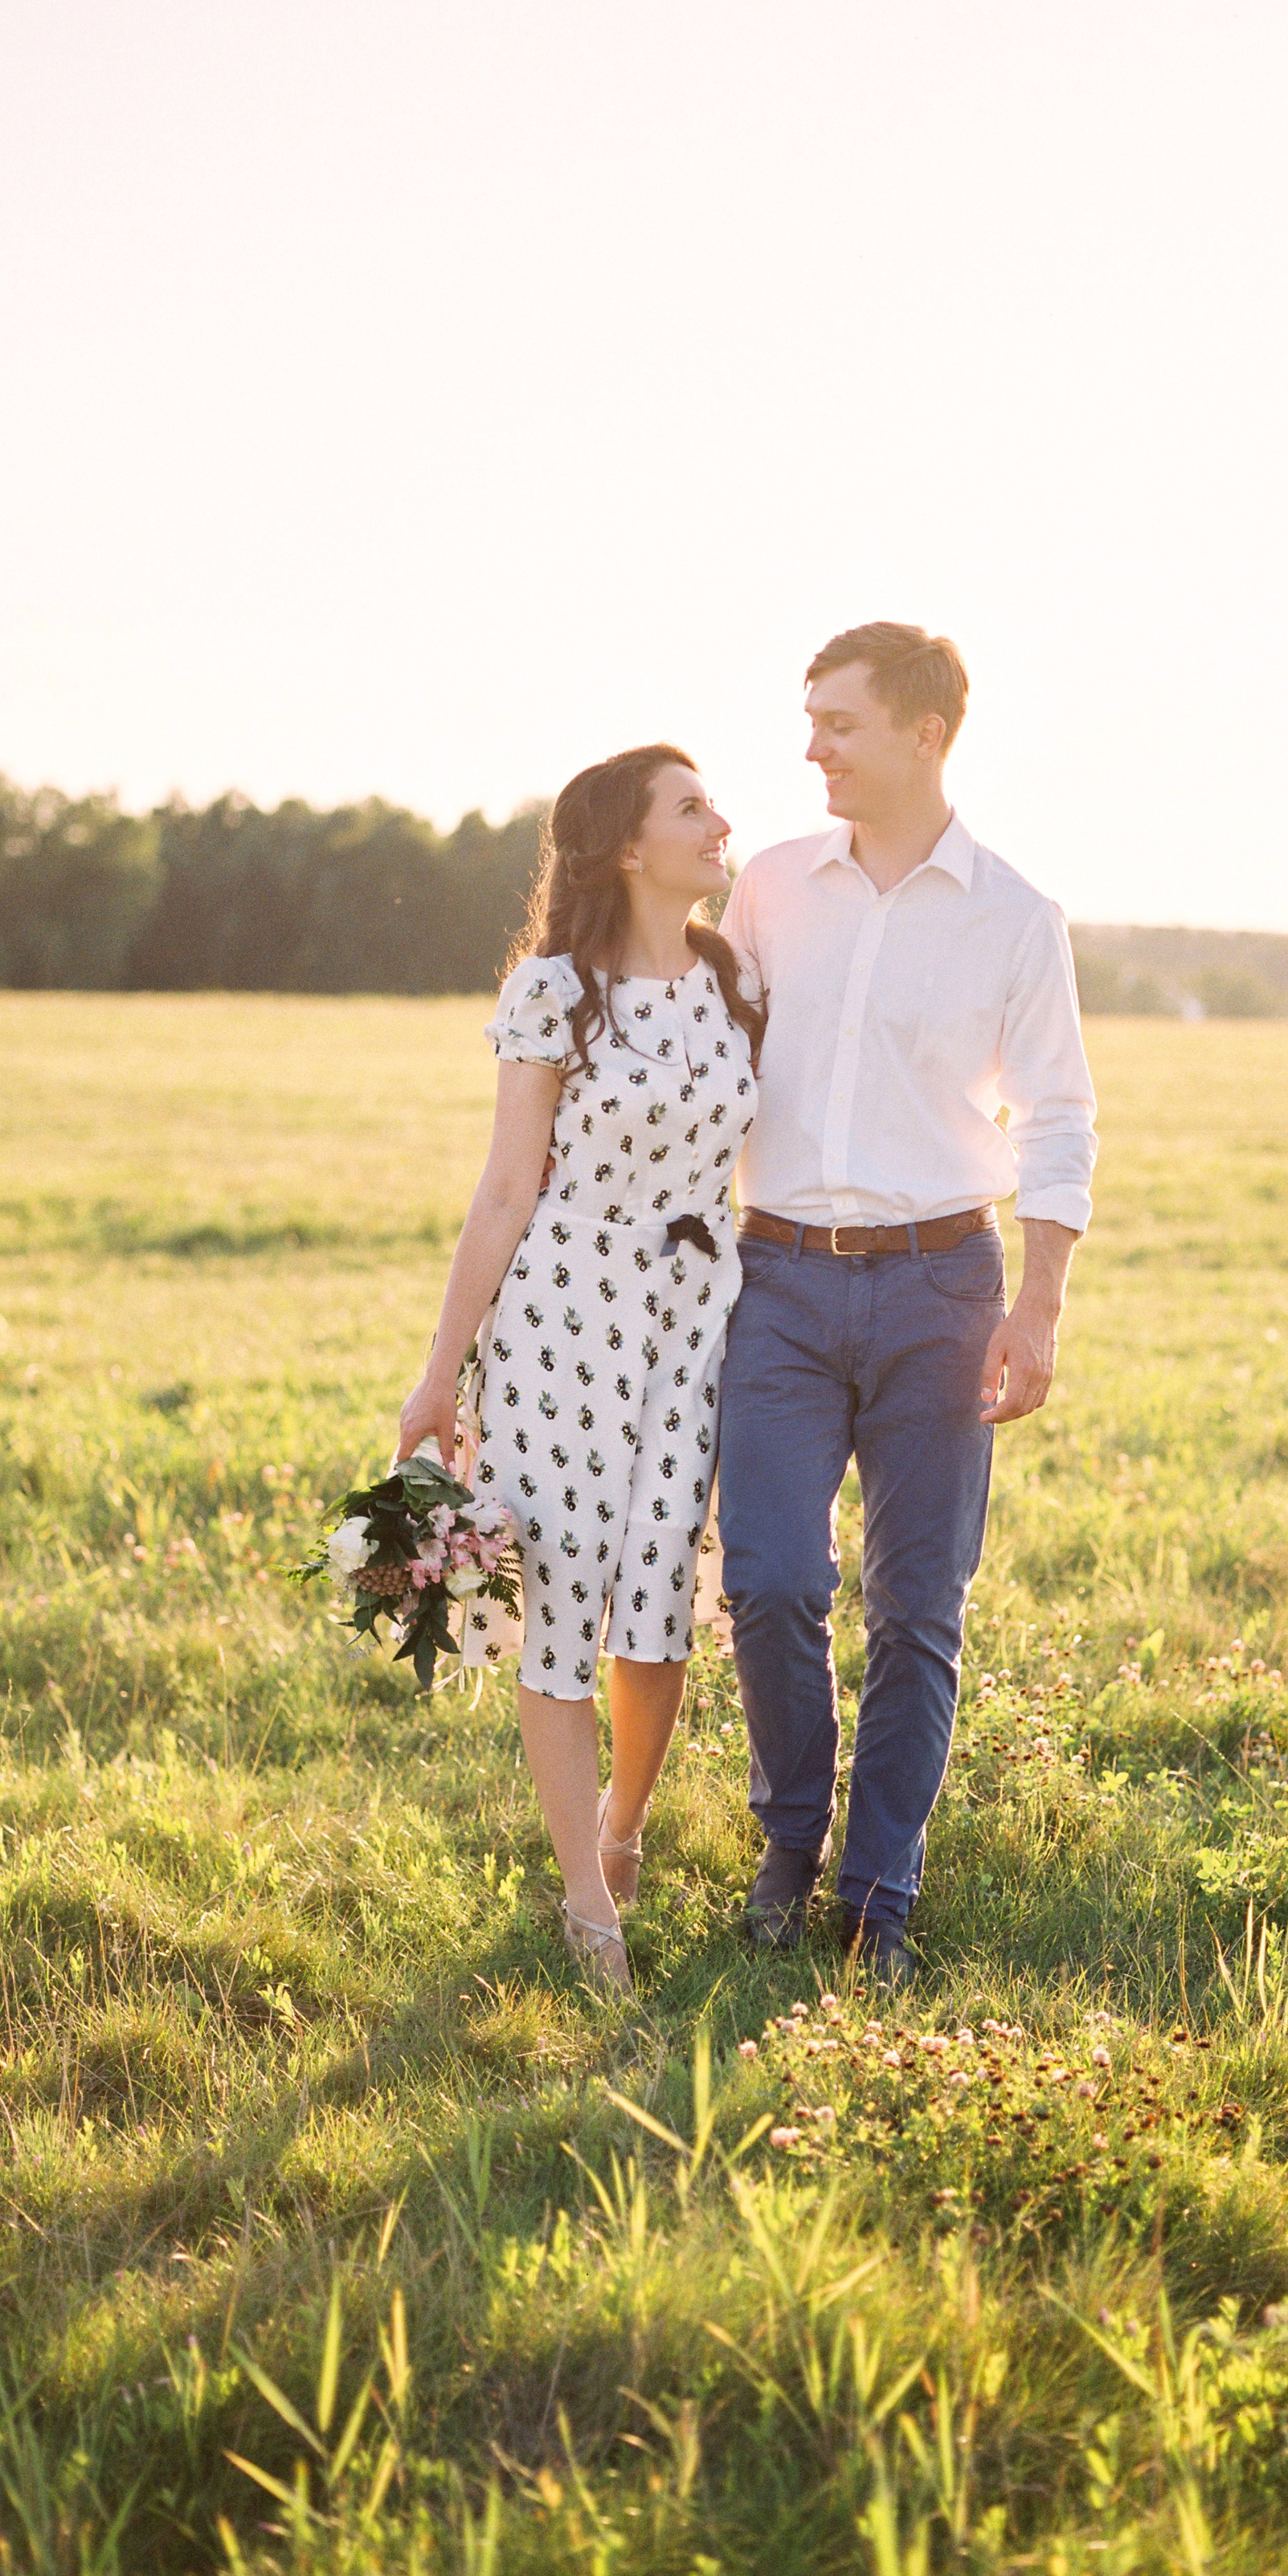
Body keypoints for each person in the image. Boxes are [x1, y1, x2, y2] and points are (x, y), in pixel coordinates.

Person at [717, 624, 1096, 1985]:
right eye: (810, 719)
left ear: (927, 732)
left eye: (840, 722)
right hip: (778, 1281)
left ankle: (881, 1885)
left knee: (918, 1605)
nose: (811, 745)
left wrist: (1038, 1304)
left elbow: (1058, 1116)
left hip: (946, 1282)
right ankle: (788, 1840)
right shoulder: (767, 888)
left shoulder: (1015, 917)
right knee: (764, 1576)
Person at [398, 745, 763, 1992]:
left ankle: (625, 1827)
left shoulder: (737, 978)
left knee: (662, 1601)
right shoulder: (553, 993)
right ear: (626, 847)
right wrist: (439, 1370)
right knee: (559, 1595)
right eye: (692, 808)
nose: (721, 822)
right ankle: (587, 1906)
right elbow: (507, 1185)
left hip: (696, 1315)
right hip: (564, 1309)